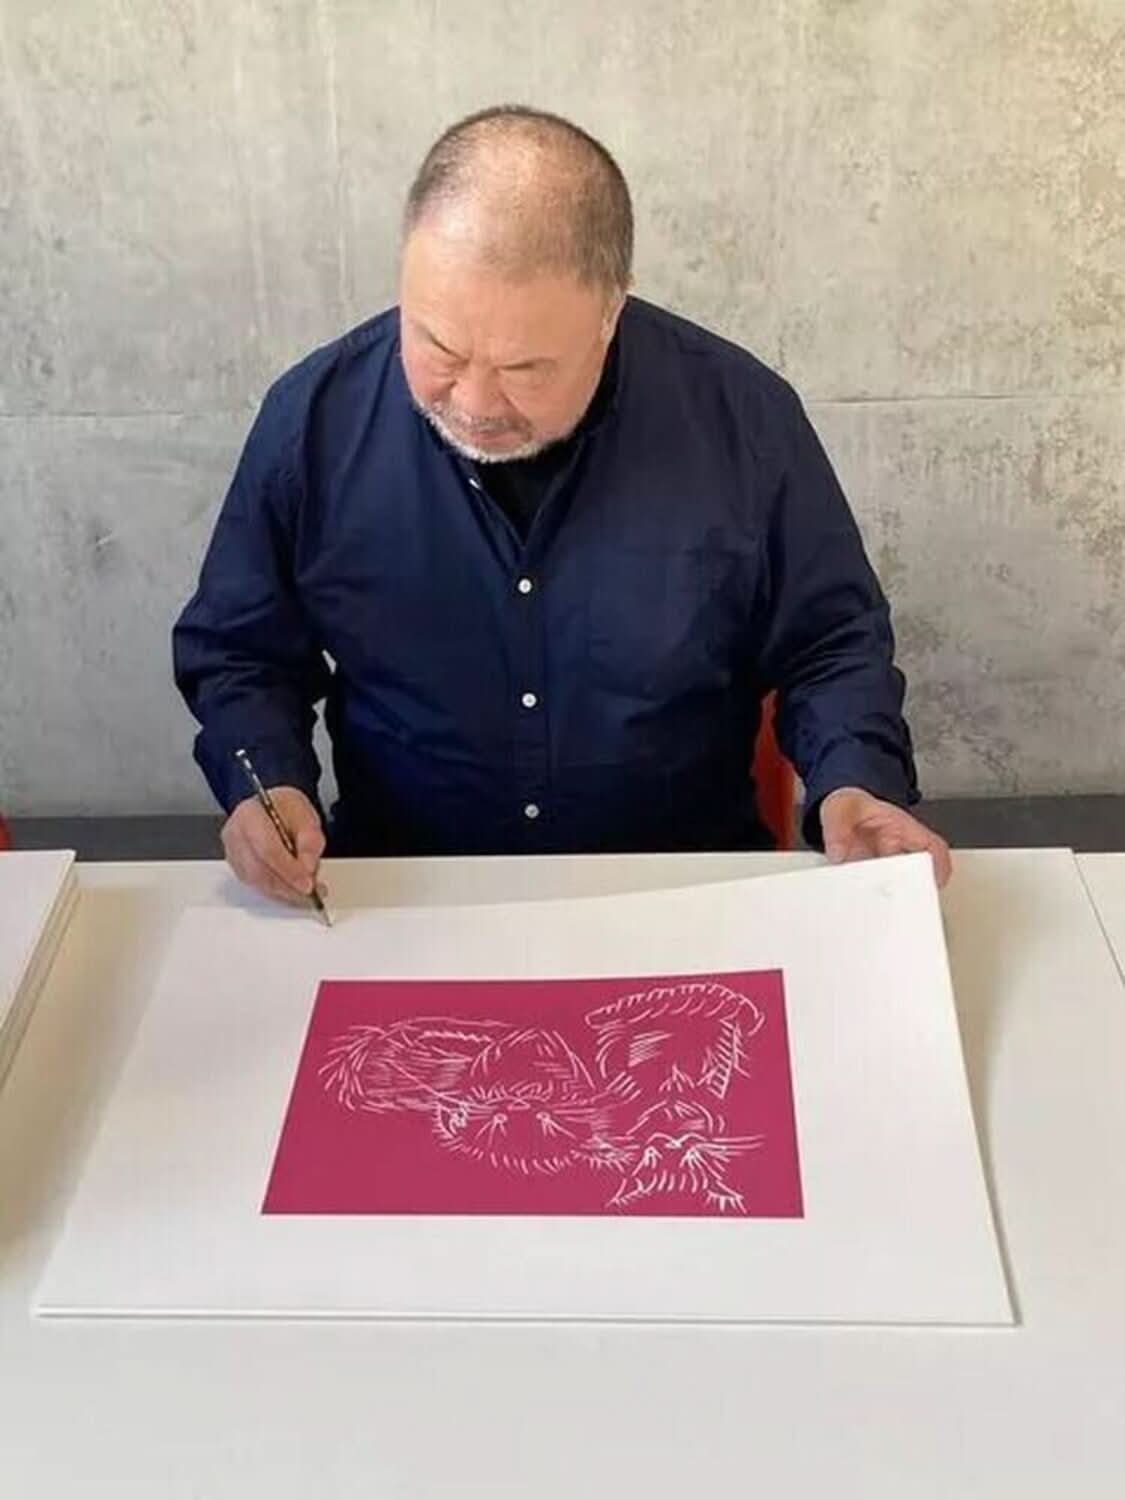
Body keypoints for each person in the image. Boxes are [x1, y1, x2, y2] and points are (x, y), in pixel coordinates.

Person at [174, 104, 951, 907]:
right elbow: (241, 650)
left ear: (611, 311)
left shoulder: (742, 421)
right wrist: (264, 780)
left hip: (684, 890)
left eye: (525, 368)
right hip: (401, 893)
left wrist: (854, 782)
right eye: (438, 345)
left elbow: (829, 643)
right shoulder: (314, 421)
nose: (473, 403)